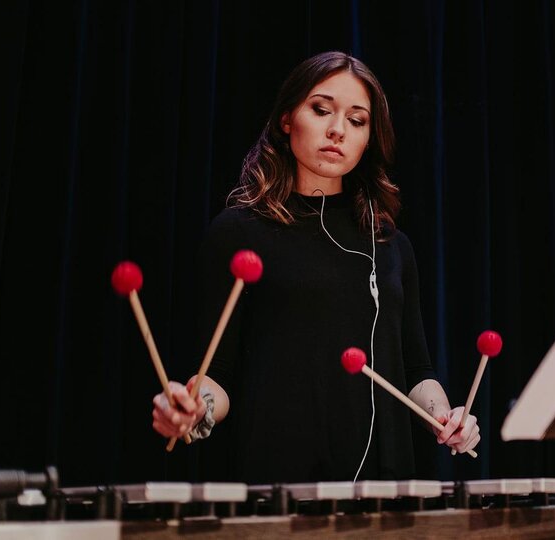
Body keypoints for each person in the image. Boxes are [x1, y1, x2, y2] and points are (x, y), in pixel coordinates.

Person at [151, 51, 480, 483]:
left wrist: (447, 417)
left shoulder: (393, 246)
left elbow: (417, 371)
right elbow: (218, 374)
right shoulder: (239, 233)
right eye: (321, 109)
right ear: (287, 118)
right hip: (277, 486)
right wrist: (194, 411)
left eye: (357, 120)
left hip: (385, 492)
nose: (337, 130)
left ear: (369, 138)